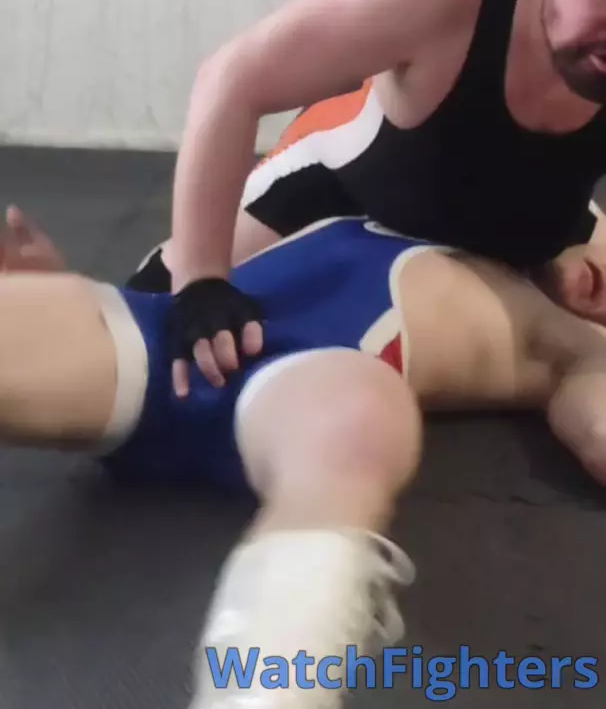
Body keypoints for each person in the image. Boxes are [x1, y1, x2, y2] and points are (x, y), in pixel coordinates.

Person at [3, 207, 606, 707]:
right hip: (167, 338)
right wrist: (48, 289)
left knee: (360, 421)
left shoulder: (574, 341)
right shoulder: (415, 188)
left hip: (309, 379)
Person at [128, 0, 606, 391]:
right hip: (339, 194)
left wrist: (555, 258)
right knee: (152, 333)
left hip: (534, 226)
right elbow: (231, 78)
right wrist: (201, 282)